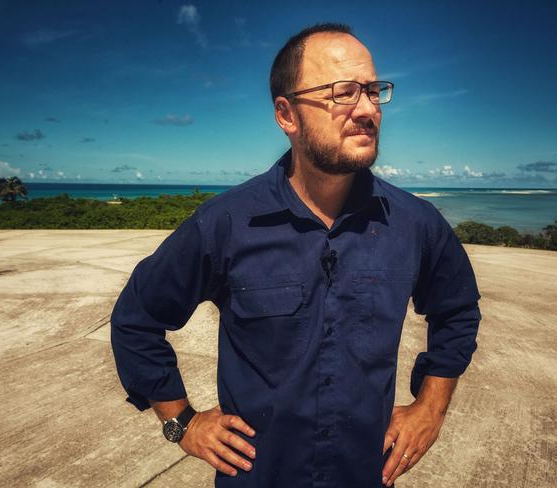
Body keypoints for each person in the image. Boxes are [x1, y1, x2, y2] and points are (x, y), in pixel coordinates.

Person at [110, 22, 482, 488]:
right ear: (287, 115)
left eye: (373, 91)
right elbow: (137, 317)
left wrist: (431, 407)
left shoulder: (415, 223)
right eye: (344, 92)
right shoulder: (226, 223)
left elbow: (458, 310)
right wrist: (181, 421)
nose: (367, 109)